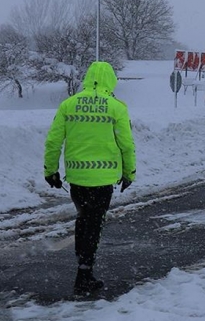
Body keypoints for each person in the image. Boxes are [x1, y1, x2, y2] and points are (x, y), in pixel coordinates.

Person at [43, 61, 136, 296]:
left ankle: (83, 266)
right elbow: (126, 145)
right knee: (94, 223)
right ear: (111, 80)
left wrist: (50, 170)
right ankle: (84, 275)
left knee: (84, 219)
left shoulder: (68, 105)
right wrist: (129, 173)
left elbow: (54, 141)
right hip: (103, 179)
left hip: (77, 177)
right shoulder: (117, 107)